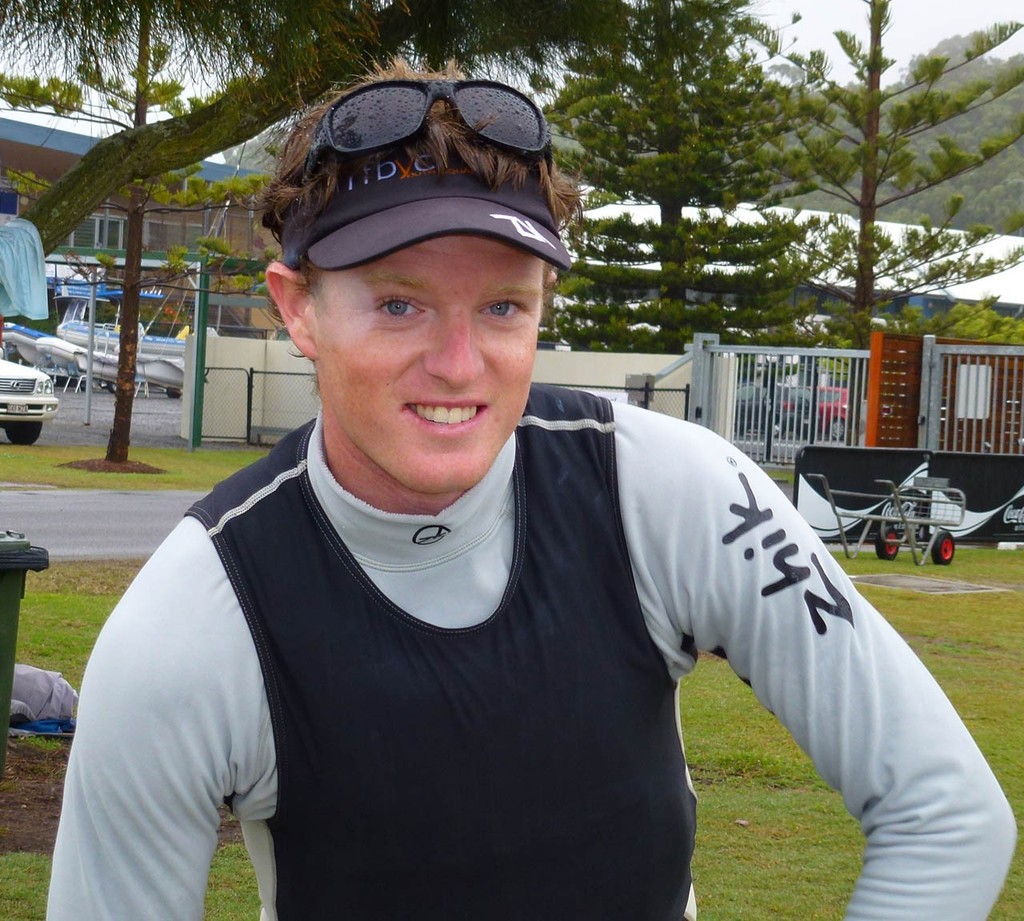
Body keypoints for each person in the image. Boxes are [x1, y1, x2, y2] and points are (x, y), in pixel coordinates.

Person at [48, 59, 1015, 921]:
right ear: (298, 308)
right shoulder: (191, 623)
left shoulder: (667, 489)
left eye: (504, 304)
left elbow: (947, 813)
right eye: (398, 303)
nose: (459, 365)